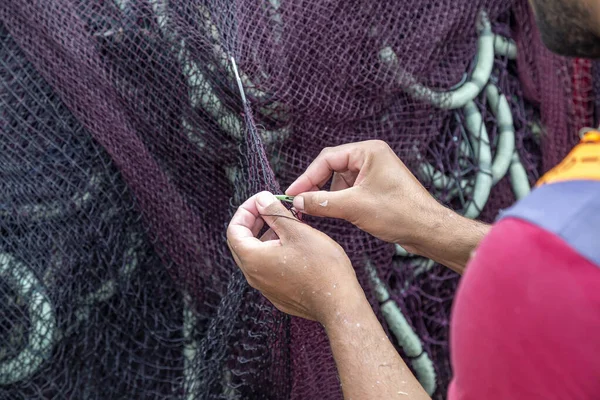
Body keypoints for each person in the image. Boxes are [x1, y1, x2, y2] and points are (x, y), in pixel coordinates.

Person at [226, 0, 600, 398]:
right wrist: (427, 227)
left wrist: (336, 304)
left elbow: (559, 273)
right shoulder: (558, 247)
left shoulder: (543, 255)